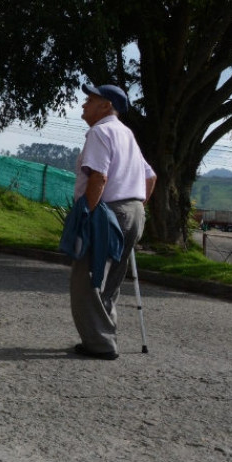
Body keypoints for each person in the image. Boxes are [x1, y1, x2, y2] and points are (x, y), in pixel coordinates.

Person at [70, 83, 156, 360]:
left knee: (88, 279)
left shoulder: (101, 131)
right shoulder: (126, 134)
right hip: (133, 211)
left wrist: (88, 213)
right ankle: (105, 335)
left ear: (106, 106)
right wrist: (138, 205)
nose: (84, 105)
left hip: (108, 211)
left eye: (90, 100)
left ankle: (100, 344)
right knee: (111, 281)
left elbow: (99, 177)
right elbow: (151, 177)